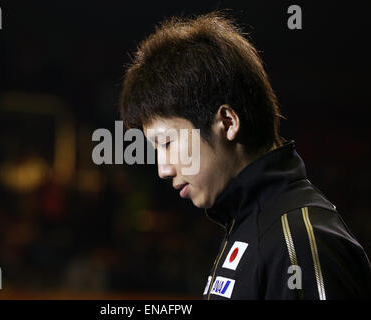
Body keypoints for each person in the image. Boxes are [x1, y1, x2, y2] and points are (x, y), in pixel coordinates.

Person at [118, 11, 371, 299]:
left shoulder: (298, 242)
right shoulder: (249, 227)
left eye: (167, 143)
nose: (162, 168)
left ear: (227, 122)